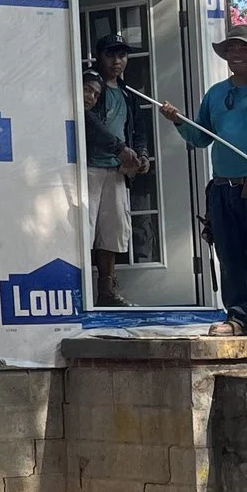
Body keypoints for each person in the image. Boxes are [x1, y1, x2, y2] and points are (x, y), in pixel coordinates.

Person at [159, 19, 247, 338]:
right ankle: (240, 316)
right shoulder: (217, 94)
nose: (235, 53)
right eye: (230, 49)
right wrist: (178, 122)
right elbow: (200, 138)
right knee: (229, 254)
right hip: (224, 187)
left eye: (242, 48)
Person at [81, 37, 147, 307]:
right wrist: (118, 147)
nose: (117, 61)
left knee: (113, 231)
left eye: (123, 55)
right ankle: (78, 289)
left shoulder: (128, 93)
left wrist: (141, 154)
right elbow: (87, 121)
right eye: (111, 55)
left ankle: (107, 291)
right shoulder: (90, 84)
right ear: (99, 56)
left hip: (117, 170)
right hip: (89, 166)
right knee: (82, 231)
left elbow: (138, 129)